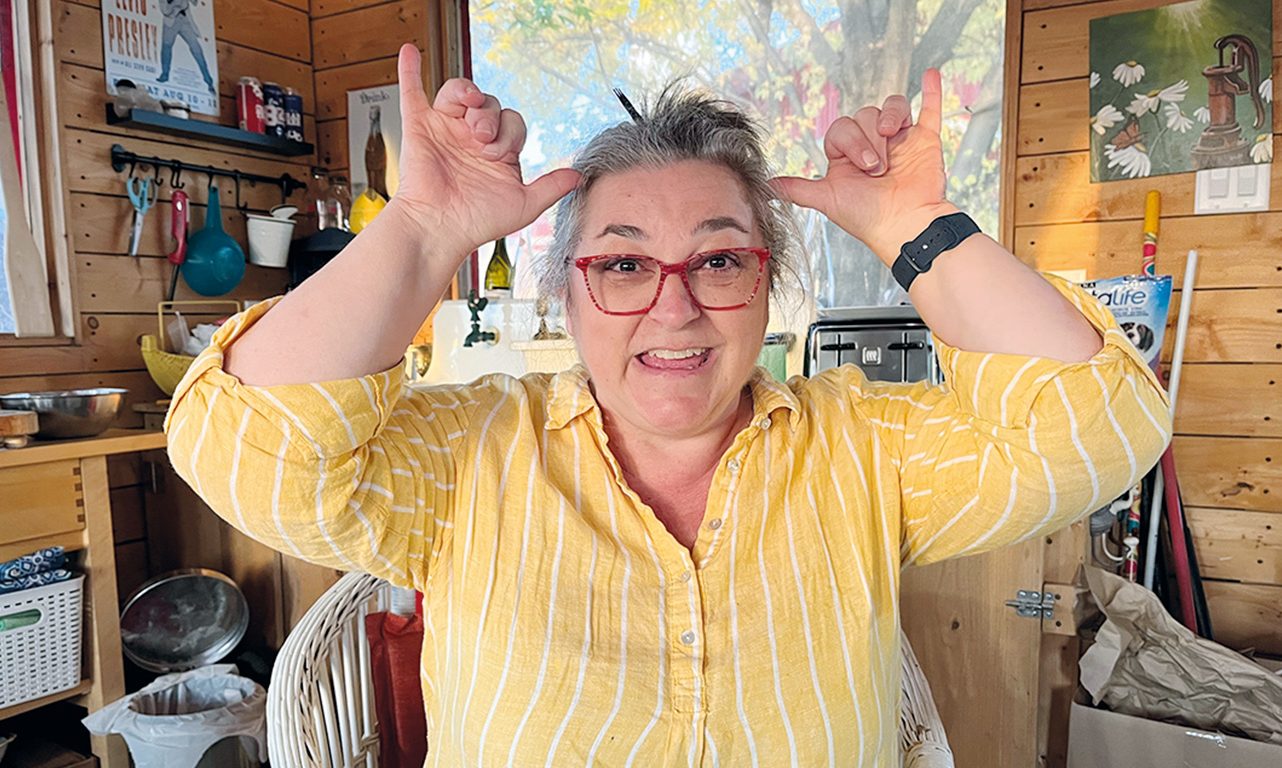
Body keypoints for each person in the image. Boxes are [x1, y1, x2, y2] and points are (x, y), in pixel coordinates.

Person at [166, 43, 1171, 765]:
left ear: (765, 284)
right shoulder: (471, 453)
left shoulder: (860, 446)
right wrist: (427, 232)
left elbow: (1095, 433)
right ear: (568, 289)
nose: (674, 304)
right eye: (623, 264)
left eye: (720, 259)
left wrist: (916, 224)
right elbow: (243, 448)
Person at [157, 0, 216, 97]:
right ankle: (165, 74)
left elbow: (195, 3)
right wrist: (177, 5)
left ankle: (208, 80)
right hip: (171, 23)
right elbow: (165, 11)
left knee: (196, 49)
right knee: (166, 47)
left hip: (185, 21)